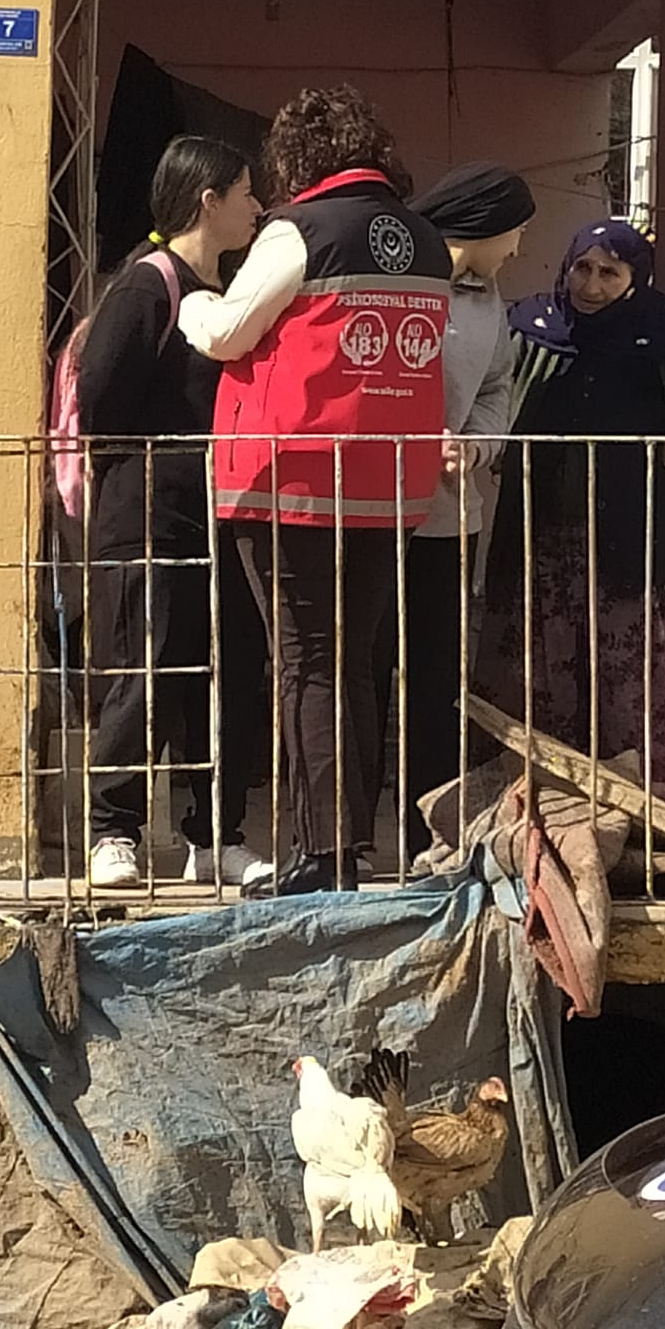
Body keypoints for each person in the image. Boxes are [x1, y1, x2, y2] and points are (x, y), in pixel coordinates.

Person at [179, 85, 452, 895]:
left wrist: (193, 303)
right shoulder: (425, 240)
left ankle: (322, 855)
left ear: (298, 159)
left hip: (294, 480)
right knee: (353, 663)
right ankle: (348, 849)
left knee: (306, 666)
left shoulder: (300, 230)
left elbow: (228, 332)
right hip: (389, 483)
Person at [479, 220, 665, 798]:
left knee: (632, 670)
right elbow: (488, 381)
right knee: (536, 663)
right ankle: (538, 797)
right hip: (541, 534)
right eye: (582, 268)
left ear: (634, 279)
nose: (591, 286)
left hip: (631, 534)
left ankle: (650, 801)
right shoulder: (532, 324)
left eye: (609, 273)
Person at [77, 134, 270, 890]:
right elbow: (100, 399)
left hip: (222, 511)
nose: (257, 208)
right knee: (145, 670)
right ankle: (113, 830)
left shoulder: (232, 292)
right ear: (208, 201)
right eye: (246, 193)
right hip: (147, 513)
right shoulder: (146, 288)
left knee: (227, 674)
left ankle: (216, 834)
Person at [378, 163, 535, 860]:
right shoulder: (393, 278)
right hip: (371, 508)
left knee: (437, 682)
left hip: (448, 514)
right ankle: (345, 839)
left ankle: (432, 835)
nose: (519, 250)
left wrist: (476, 444)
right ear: (484, 226)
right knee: (361, 672)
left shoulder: (487, 300)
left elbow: (497, 388)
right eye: (516, 232)